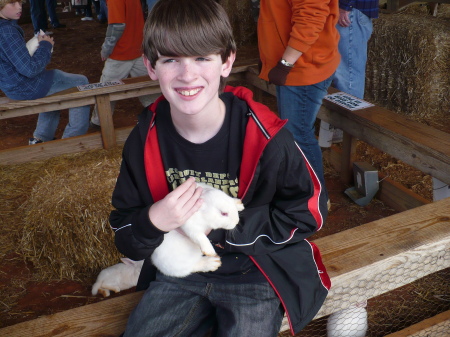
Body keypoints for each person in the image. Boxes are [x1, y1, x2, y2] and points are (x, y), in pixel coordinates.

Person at [110, 0, 330, 336]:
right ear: (150, 67)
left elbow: (308, 212)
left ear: (227, 61)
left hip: (254, 271)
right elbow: (125, 232)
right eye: (170, 59)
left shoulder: (267, 136)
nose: (187, 74)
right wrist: (153, 221)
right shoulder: (143, 140)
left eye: (202, 57)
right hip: (182, 271)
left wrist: (224, 228)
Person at [257, 0, 340, 186]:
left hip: (301, 66)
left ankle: (316, 198)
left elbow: (310, 19)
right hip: (294, 62)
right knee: (293, 133)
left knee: (298, 135)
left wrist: (285, 63)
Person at [0, 0, 91, 144]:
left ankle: (40, 138)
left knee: (54, 87)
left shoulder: (5, 27)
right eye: (12, 3)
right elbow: (29, 70)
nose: (19, 7)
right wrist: (45, 46)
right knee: (81, 82)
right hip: (26, 86)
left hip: (11, 86)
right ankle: (73, 141)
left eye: (19, 2)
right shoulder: (7, 31)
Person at [320, 0, 379, 144]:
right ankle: (338, 129)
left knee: (347, 73)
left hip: (349, 10)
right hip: (348, 9)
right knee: (341, 69)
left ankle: (346, 132)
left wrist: (345, 6)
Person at [89, 0, 154, 127]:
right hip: (138, 48)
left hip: (121, 53)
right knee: (148, 86)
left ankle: (98, 121)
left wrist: (106, 49)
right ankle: (159, 112)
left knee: (106, 88)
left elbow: (117, 26)